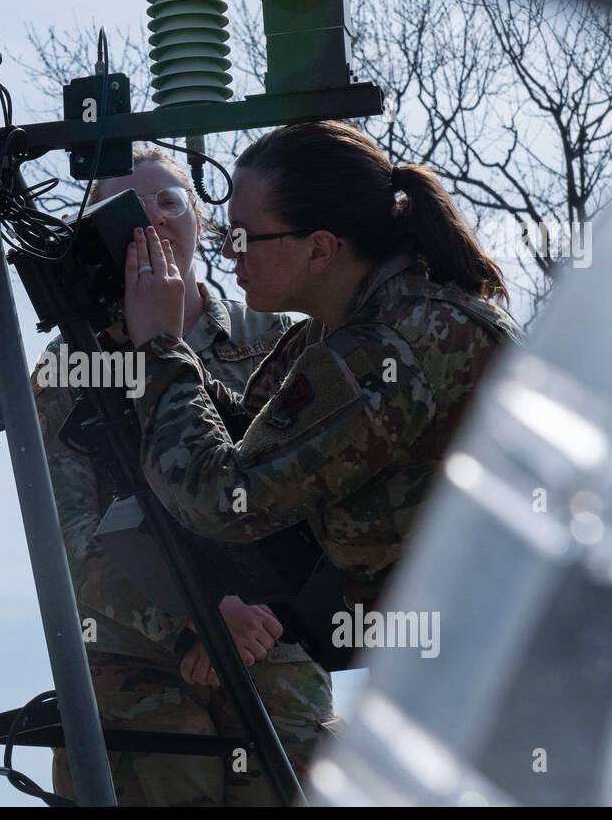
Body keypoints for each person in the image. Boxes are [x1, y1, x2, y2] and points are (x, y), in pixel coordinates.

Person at [123, 120, 524, 637]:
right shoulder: (345, 325)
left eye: (245, 236)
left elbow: (222, 499)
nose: (227, 252)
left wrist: (159, 348)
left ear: (319, 249)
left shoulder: (392, 347)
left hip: (496, 658)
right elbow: (255, 435)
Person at [33, 145, 335, 806]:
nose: (152, 218)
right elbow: (72, 533)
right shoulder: (71, 367)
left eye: (169, 200)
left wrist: (253, 613)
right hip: (136, 648)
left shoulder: (275, 338)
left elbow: (315, 498)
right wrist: (191, 616)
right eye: (127, 207)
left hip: (270, 635)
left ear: (201, 218)